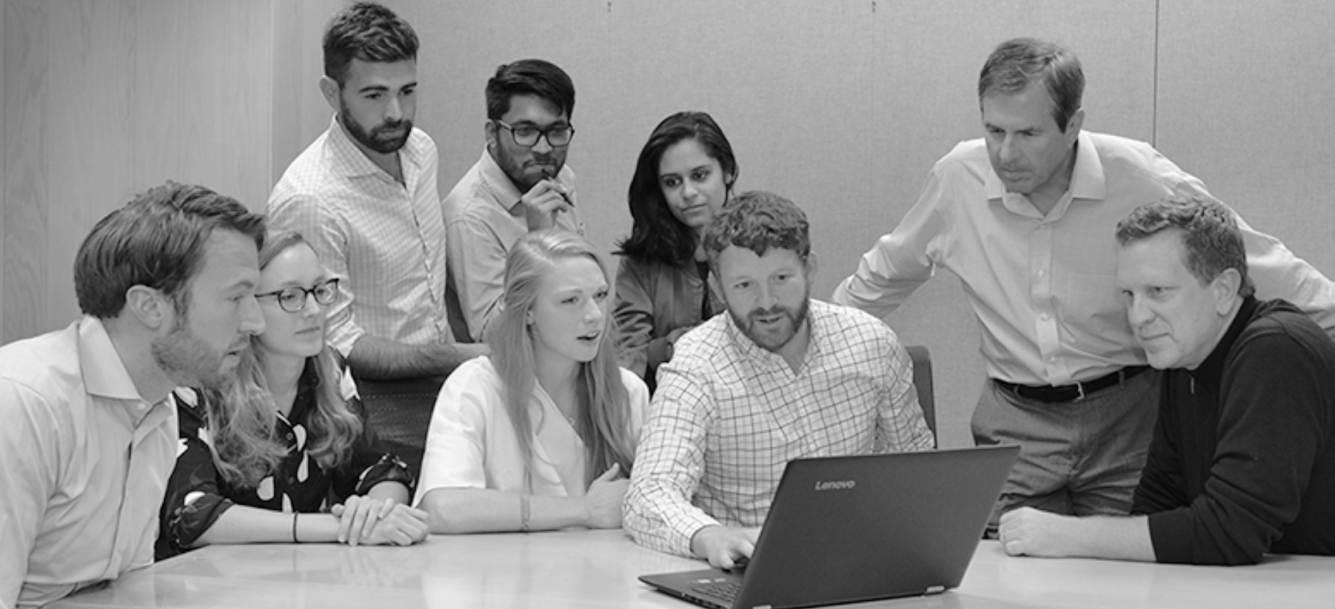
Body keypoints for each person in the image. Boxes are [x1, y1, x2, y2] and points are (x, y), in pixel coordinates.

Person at [833, 37, 1335, 532]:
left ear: (1073, 125)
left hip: (1128, 416)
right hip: (1015, 419)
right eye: (994, 130)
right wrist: (818, 348)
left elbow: (1252, 258)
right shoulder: (956, 178)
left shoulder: (1138, 175)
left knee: (1132, 557)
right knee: (1006, 562)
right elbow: (880, 277)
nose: (1006, 153)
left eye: (1028, 133)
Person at [999, 196, 1335, 565]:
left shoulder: (1277, 351)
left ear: (1223, 290)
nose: (1137, 317)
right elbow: (1157, 503)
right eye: (1129, 295)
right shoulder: (1185, 358)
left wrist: (1064, 535)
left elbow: (1230, 533)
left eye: (1158, 292)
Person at [624, 191, 935, 568]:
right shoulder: (696, 364)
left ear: (810, 269)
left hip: (862, 560)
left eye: (781, 278)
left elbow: (916, 469)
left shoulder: (871, 343)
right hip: (750, 570)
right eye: (744, 285)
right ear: (718, 289)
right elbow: (648, 494)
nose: (766, 302)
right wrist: (709, 536)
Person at [0, 182, 266, 608]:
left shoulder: (159, 406)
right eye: (236, 296)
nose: (256, 322)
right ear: (149, 306)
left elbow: (127, 590)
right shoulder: (24, 403)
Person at [267, 2, 485, 475]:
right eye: (374, 94)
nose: (395, 113)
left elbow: (429, 277)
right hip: (370, 408)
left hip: (446, 382)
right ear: (332, 92)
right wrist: (458, 356)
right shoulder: (312, 199)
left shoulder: (421, 149)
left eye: (407, 91)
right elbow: (335, 340)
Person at [156, 231, 429, 560]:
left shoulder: (330, 371)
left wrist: (372, 513)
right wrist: (334, 527)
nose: (313, 310)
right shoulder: (199, 381)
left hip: (302, 576)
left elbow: (380, 471)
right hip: (209, 581)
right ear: (246, 306)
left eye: (320, 290)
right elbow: (192, 515)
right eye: (290, 296)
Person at [416, 230, 648, 533]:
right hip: (502, 563)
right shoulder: (475, 386)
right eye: (570, 300)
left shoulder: (628, 391)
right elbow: (443, 508)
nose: (594, 315)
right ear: (527, 312)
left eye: (600, 296)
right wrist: (583, 510)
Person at [443, 59, 586, 343]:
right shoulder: (469, 216)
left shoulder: (559, 177)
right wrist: (537, 245)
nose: (543, 148)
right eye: (525, 132)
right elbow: (492, 336)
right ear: (492, 133)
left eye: (556, 131)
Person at [614, 111, 735, 391]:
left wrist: (674, 345)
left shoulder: (759, 244)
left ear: (727, 170)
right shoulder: (641, 260)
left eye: (700, 175)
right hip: (664, 403)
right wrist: (669, 347)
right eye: (672, 182)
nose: (688, 192)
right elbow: (626, 356)